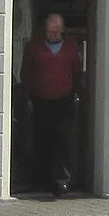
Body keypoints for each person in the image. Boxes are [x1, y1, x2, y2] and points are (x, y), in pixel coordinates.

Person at [23, 11, 86, 196]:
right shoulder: (34, 46)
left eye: (56, 31)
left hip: (64, 100)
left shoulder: (71, 48)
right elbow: (26, 71)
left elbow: (77, 73)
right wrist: (26, 96)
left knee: (62, 140)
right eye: (50, 31)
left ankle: (61, 180)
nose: (52, 35)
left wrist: (80, 95)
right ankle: (41, 180)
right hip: (40, 99)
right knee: (41, 140)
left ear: (62, 30)